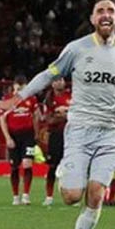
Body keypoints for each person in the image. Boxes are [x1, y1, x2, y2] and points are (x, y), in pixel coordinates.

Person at [0, 0, 115, 229]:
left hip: (111, 133)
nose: (106, 15)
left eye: (110, 10)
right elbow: (48, 75)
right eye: (100, 11)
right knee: (71, 196)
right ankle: (68, 173)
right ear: (92, 18)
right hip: (80, 131)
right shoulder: (77, 49)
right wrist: (18, 98)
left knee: (96, 194)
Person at [0, 75, 41, 206]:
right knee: (14, 167)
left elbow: (36, 116)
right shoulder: (7, 100)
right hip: (13, 136)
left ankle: (26, 195)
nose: (20, 92)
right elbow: (2, 119)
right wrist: (7, 138)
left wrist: (37, 133)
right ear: (13, 87)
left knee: (27, 164)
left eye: (22, 89)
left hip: (28, 135)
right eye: (18, 89)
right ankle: (15, 196)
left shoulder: (32, 99)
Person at [43, 76, 71, 207]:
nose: (59, 82)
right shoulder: (49, 99)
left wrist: (62, 114)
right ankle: (49, 196)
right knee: (52, 166)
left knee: (71, 166)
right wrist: (66, 116)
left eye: (61, 80)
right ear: (52, 84)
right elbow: (49, 120)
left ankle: (71, 195)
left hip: (71, 136)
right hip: (56, 135)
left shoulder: (72, 96)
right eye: (56, 80)